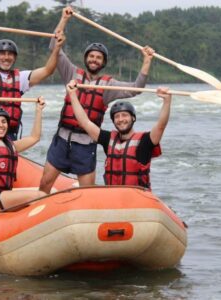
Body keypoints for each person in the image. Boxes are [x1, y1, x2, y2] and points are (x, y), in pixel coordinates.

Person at [39, 6, 156, 193]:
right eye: (91, 56)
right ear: (86, 59)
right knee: (44, 184)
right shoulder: (71, 72)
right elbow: (54, 46)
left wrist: (147, 61)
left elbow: (137, 88)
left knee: (87, 192)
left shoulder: (108, 86)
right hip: (62, 140)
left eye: (98, 58)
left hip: (85, 145)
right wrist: (64, 19)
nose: (94, 60)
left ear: (103, 63)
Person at [65, 80, 171, 189]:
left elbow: (160, 126)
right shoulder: (108, 140)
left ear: (133, 118)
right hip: (114, 197)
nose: (120, 119)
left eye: (124, 115)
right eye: (117, 116)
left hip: (137, 198)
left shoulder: (145, 141)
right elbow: (85, 122)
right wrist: (72, 94)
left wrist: (167, 101)